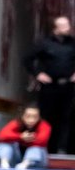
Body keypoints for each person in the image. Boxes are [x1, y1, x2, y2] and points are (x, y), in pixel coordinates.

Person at [25, 16, 75, 154]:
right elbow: (28, 59)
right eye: (63, 26)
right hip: (49, 87)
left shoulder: (73, 43)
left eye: (68, 25)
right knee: (47, 117)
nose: (67, 28)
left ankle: (64, 149)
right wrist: (38, 74)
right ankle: (45, 147)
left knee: (66, 117)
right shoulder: (45, 43)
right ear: (55, 29)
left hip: (68, 86)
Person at [0, 104, 50, 170]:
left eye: (35, 117)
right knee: (5, 144)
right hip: (15, 160)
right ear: (22, 116)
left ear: (39, 117)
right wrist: (20, 136)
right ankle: (4, 164)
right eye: (28, 116)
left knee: (35, 148)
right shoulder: (16, 123)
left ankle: (25, 164)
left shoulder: (44, 125)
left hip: (36, 163)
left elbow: (42, 140)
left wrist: (26, 140)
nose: (31, 120)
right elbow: (1, 136)